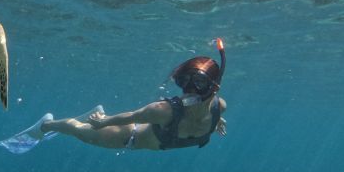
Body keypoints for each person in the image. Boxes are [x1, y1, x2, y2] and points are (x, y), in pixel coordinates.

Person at [37, 38, 228, 151]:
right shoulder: (164, 111)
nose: (189, 89)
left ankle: (95, 116)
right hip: (127, 138)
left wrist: (217, 120)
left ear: (213, 87)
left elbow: (210, 110)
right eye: (183, 82)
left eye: (199, 83)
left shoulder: (219, 107)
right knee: (80, 132)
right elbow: (131, 116)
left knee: (84, 131)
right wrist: (103, 122)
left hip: (143, 135)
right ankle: (46, 125)